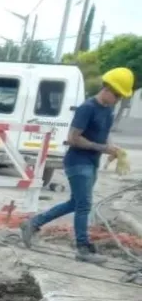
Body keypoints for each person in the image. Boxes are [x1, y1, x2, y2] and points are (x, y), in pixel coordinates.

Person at [20, 67, 135, 265]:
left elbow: (104, 133)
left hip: (91, 162)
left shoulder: (107, 110)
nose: (117, 100)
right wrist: (102, 148)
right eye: (116, 95)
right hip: (77, 162)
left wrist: (112, 147)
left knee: (75, 203)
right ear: (107, 89)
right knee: (84, 205)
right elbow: (73, 138)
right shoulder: (87, 108)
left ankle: (33, 223)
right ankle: (82, 247)